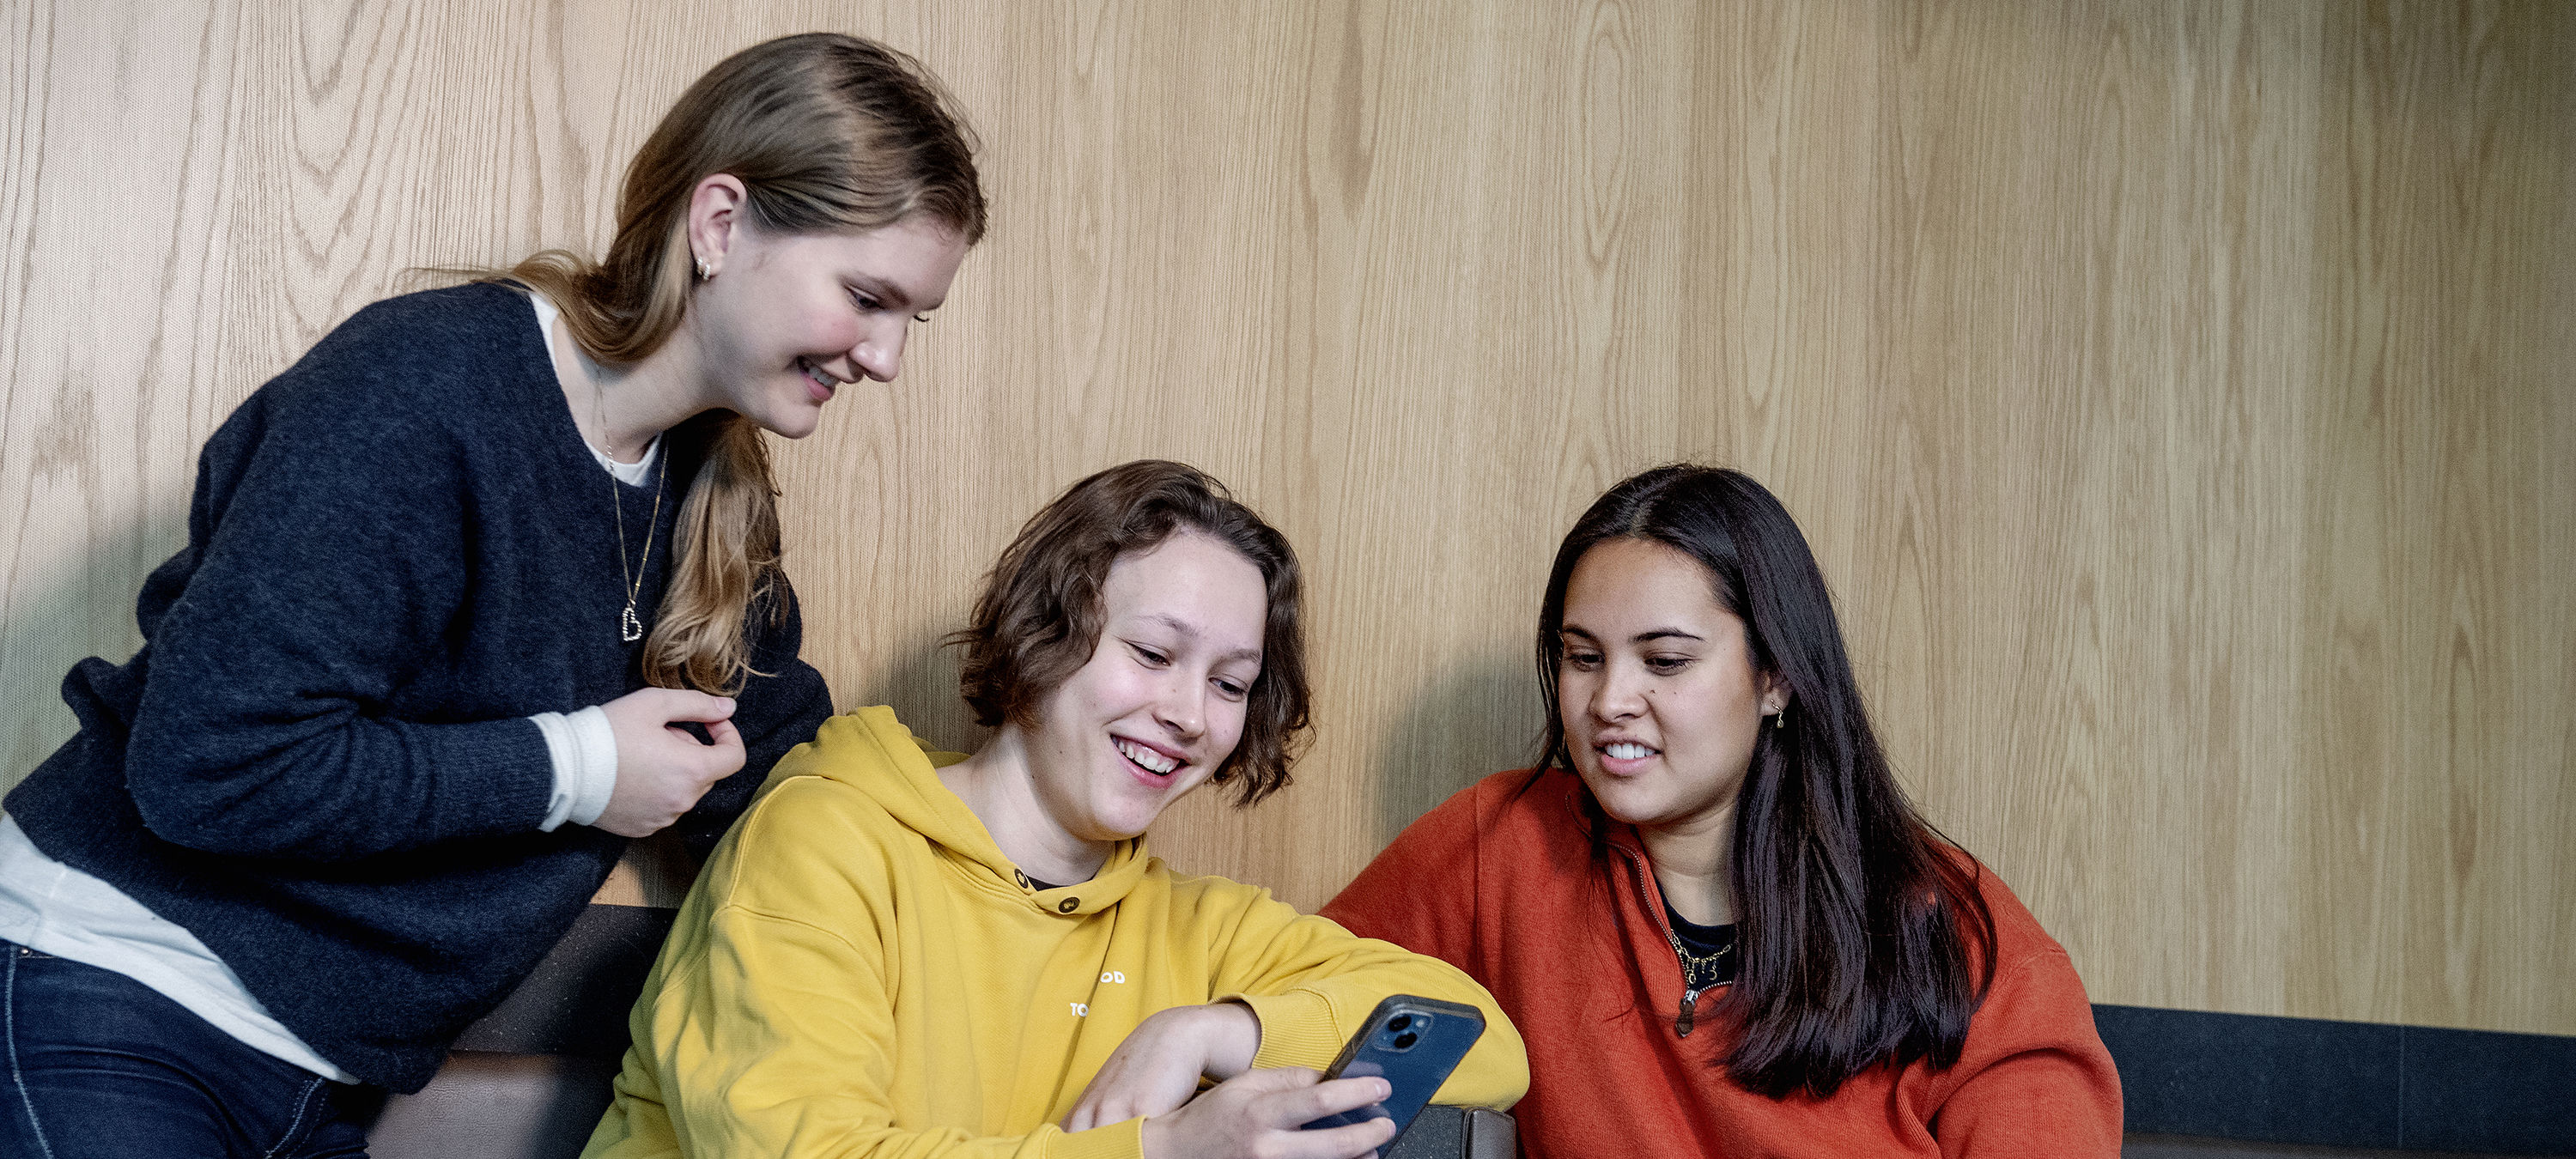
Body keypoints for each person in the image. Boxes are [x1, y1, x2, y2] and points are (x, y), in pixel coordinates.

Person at [0, 32, 985, 1158]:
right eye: (869, 296)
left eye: (916, 317)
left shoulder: (712, 501)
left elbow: (788, 782)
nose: (888, 359)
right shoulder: (427, 388)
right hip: (106, 986)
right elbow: (210, 764)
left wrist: (1032, 827)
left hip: (316, 1083)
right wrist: (580, 767)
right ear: (721, 225)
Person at [583, 460, 1528, 1159]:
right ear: (1044, 635)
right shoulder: (824, 837)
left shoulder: (1202, 931)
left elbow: (1484, 1042)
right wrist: (1164, 1150)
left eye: (1232, 684)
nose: (1189, 715)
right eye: (1154, 655)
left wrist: (1212, 1030)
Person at [1322, 464, 2123, 1157]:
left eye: (1665, 661)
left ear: (1775, 676)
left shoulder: (1955, 931)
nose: (1610, 702)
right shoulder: (1499, 843)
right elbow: (1304, 998)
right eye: (1582, 658)